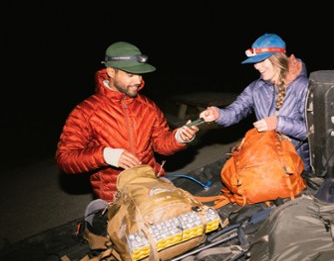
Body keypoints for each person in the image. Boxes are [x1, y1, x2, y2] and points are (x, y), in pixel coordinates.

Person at [56, 41, 200, 202]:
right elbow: (65, 159)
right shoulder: (86, 111)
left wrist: (178, 138)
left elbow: (161, 144)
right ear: (111, 71)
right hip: (115, 195)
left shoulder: (147, 106)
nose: (138, 81)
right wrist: (105, 155)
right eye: (130, 75)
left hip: (151, 183)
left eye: (140, 74)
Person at [199, 33, 310, 172]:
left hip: (295, 167)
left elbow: (312, 132)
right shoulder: (256, 88)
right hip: (266, 160)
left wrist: (278, 123)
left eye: (262, 61)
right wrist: (217, 114)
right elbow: (234, 112)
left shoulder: (303, 87)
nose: (257, 66)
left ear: (278, 58)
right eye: (255, 62)